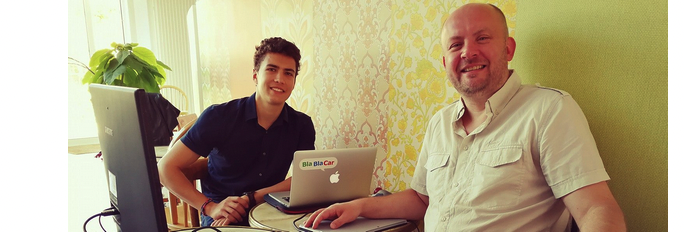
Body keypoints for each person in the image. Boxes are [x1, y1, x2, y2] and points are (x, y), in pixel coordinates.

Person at [304, 3, 626, 231]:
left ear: (508, 49)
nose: (468, 52)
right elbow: (420, 198)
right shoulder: (439, 122)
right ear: (445, 61)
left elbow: (597, 209)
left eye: (482, 38)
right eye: (456, 44)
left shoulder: (549, 110)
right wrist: (359, 206)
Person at [158, 37, 316, 227]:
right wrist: (209, 207)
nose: (280, 79)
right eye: (272, 69)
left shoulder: (302, 124)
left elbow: (305, 176)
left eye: (288, 73)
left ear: (294, 82)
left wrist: (253, 198)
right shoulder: (219, 116)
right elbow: (165, 168)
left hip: (269, 210)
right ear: (255, 75)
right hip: (220, 213)